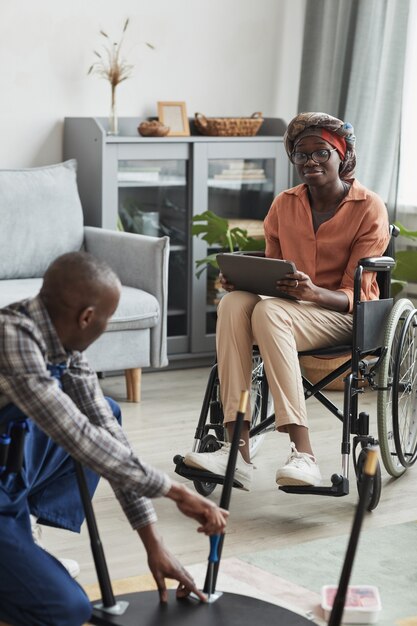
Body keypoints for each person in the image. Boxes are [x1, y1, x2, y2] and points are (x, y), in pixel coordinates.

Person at [0, 251, 228, 626]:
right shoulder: (12, 338)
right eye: (107, 319)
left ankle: (21, 535)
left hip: (8, 479)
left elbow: (107, 436)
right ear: (87, 317)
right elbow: (76, 436)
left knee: (109, 413)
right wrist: (178, 493)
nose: (105, 327)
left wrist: (153, 544)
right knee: (66, 610)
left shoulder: (63, 345)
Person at [183, 111, 390, 492]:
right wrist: (243, 279)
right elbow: (275, 269)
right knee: (233, 304)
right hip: (286, 310)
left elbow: (354, 294)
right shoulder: (284, 204)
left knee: (270, 310)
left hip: (344, 313)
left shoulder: (368, 207)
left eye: (321, 153)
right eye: (301, 154)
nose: (310, 161)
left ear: (341, 155)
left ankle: (304, 453)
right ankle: (235, 452)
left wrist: (311, 293)